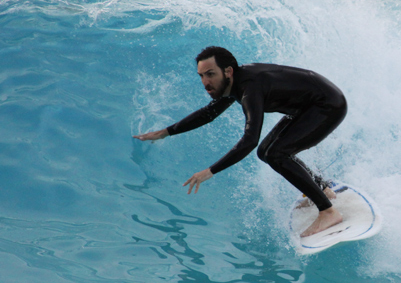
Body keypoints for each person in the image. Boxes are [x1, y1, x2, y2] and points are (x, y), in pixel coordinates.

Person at [133, 46, 347, 237]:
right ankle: (323, 188)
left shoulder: (249, 88)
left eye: (210, 74)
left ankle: (328, 211)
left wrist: (210, 171)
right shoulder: (233, 83)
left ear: (228, 71)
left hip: (327, 105)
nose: (205, 82)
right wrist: (166, 132)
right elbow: (209, 114)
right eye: (201, 76)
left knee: (276, 153)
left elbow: (249, 140)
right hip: (307, 107)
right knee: (267, 152)